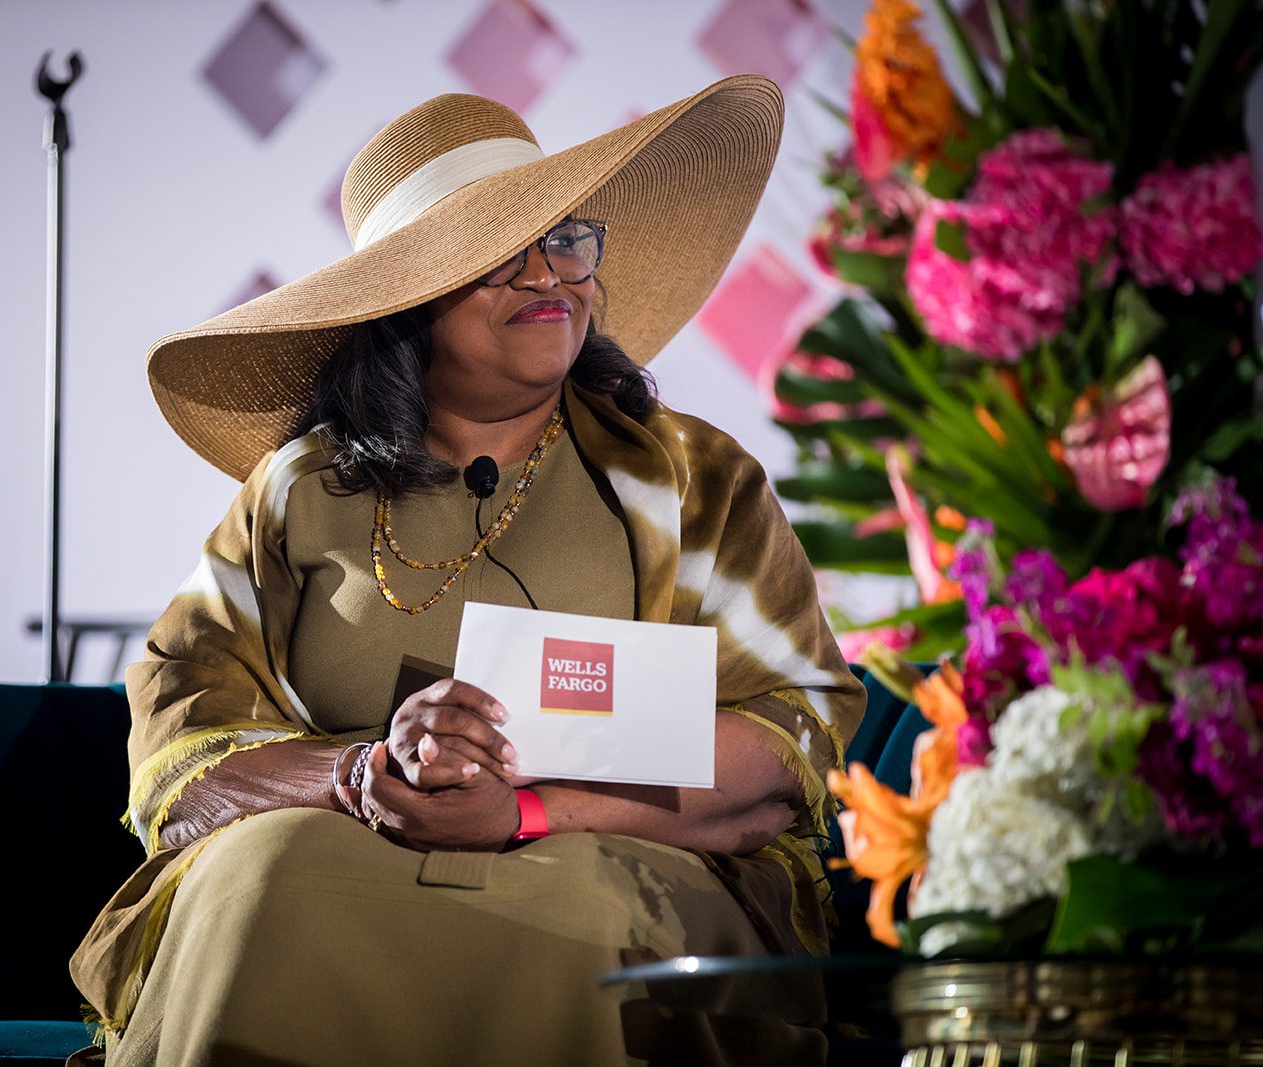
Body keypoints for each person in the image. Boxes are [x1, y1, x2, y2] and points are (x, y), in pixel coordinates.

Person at [71, 77, 866, 1066]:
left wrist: (527, 810)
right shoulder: (293, 490)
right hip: (323, 848)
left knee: (571, 903)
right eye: (502, 252)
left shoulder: (692, 480)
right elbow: (183, 743)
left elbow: (783, 741)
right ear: (402, 305)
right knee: (264, 876)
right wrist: (362, 775)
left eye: (566, 239)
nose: (550, 276)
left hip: (614, 859)